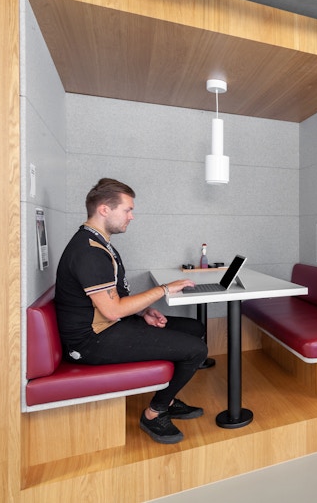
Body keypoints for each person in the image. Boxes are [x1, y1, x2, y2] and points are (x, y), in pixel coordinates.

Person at [54, 178, 208, 444]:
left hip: (107, 325)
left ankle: (167, 399)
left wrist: (143, 311)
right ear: (104, 209)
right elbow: (113, 310)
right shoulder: (88, 251)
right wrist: (164, 290)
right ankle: (154, 413)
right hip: (91, 341)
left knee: (195, 328)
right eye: (127, 210)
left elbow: (117, 298)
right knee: (197, 349)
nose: (132, 216)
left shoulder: (101, 243)